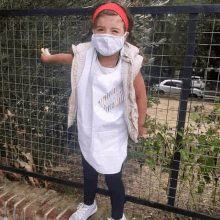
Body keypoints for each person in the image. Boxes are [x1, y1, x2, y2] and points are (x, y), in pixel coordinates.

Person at [41, 2, 147, 220]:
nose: (106, 35)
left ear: (124, 35)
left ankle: (118, 216)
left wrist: (141, 124)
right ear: (93, 31)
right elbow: (66, 59)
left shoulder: (129, 65)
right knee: (88, 170)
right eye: (101, 29)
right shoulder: (85, 58)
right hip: (88, 128)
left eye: (114, 31)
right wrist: (49, 58)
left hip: (113, 133)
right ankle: (89, 205)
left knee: (113, 177)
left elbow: (140, 95)